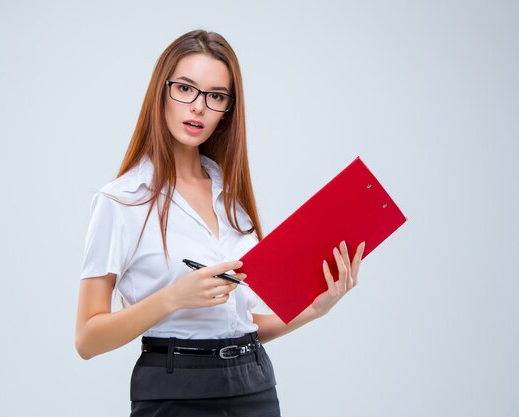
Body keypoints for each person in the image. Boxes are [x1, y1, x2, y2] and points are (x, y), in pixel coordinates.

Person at [75, 30, 365, 417]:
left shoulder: (229, 196)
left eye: (215, 96)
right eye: (185, 89)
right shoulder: (121, 201)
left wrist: (314, 308)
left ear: (227, 109)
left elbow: (243, 324)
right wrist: (174, 297)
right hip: (175, 390)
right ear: (161, 93)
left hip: (255, 384)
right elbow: (87, 339)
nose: (198, 107)